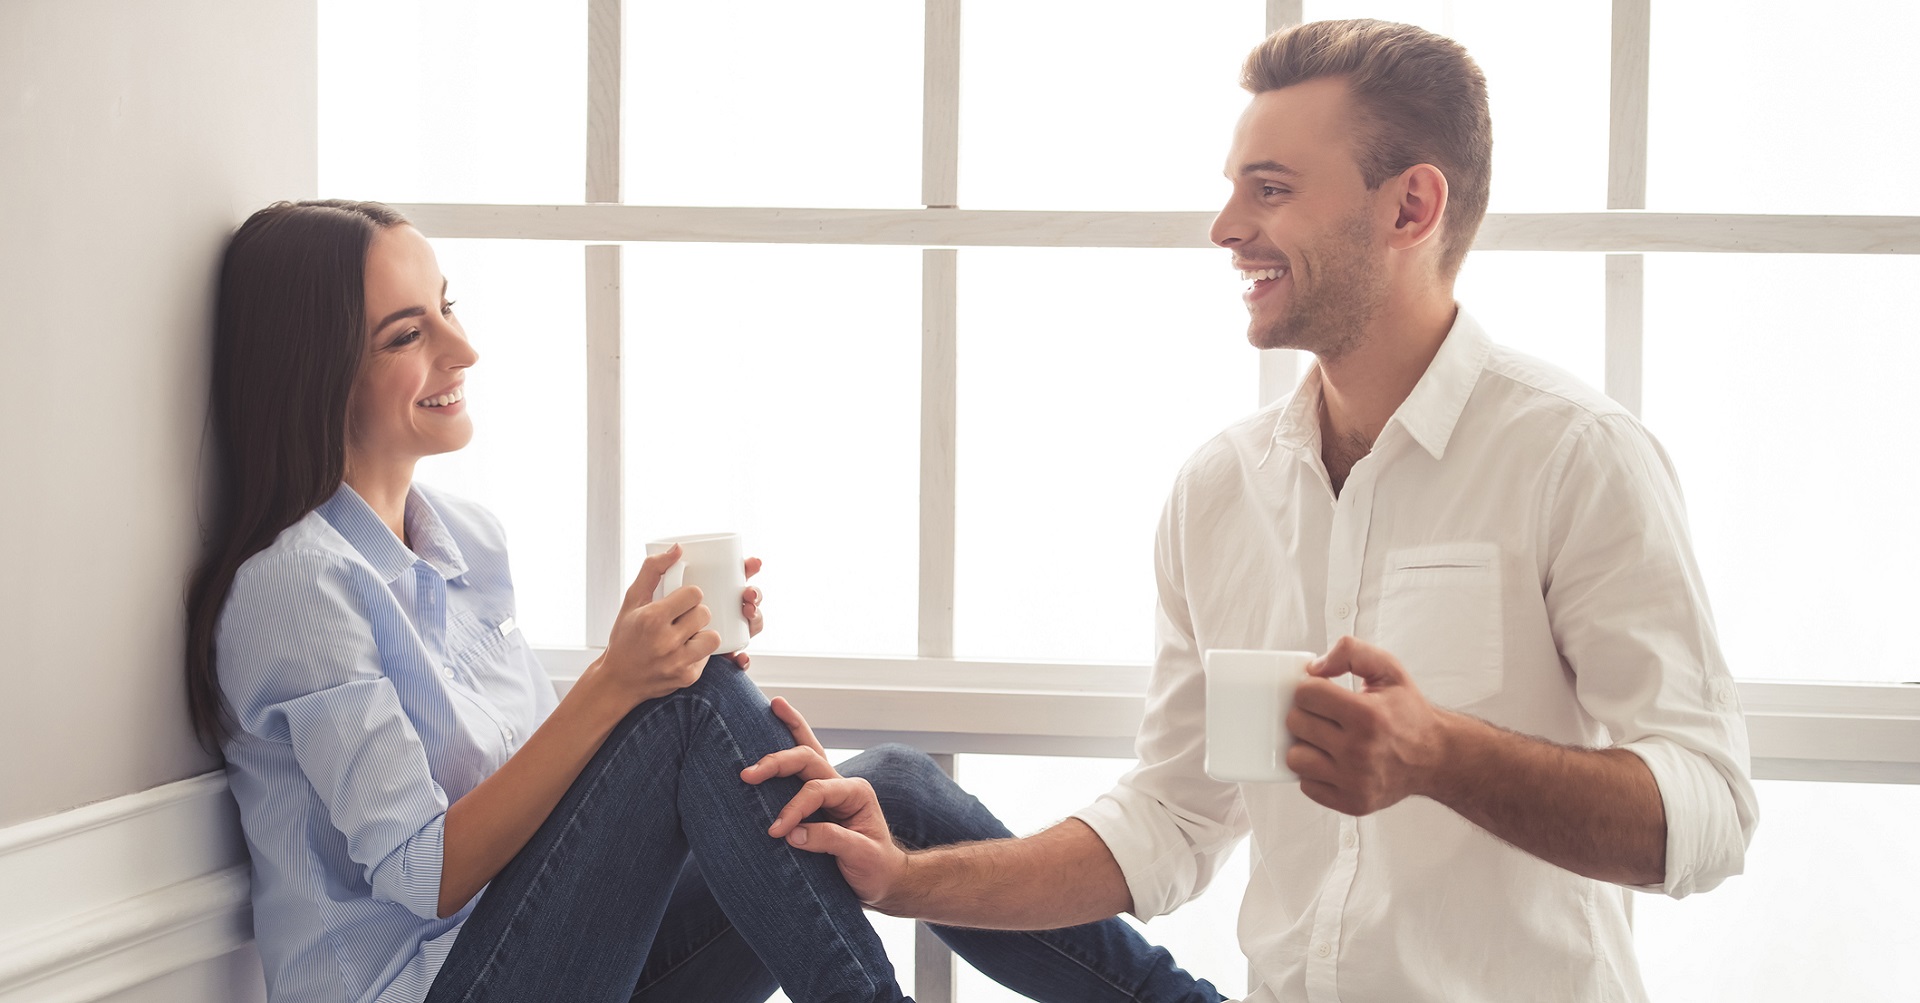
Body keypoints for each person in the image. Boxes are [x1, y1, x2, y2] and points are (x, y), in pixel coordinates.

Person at [744, 19, 1758, 1003]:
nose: (1226, 228)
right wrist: (908, 879)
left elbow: (1709, 812)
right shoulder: (1219, 491)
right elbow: (1173, 815)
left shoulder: (1575, 455)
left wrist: (1438, 754)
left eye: (1268, 191)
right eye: (1234, 189)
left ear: (1410, 209)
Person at [182, 200, 1223, 1003]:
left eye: (448, 306)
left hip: (560, 955)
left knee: (879, 787)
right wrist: (625, 686)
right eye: (407, 333)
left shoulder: (467, 541)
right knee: (679, 706)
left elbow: (548, 815)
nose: (462, 350)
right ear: (318, 370)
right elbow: (424, 873)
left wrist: (671, 672)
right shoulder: (297, 586)